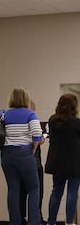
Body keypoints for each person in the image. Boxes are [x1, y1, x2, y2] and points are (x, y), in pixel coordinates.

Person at [0, 87, 44, 225]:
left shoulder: (3, 113)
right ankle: (34, 221)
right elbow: (37, 134)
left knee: (13, 189)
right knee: (34, 188)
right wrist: (32, 150)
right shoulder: (30, 114)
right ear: (25, 99)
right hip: (25, 153)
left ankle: (14, 222)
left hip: (7, 155)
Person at [44, 94, 80, 225]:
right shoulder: (77, 123)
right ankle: (69, 222)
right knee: (72, 192)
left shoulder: (52, 121)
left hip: (57, 162)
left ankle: (51, 222)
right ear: (74, 106)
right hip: (74, 163)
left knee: (56, 191)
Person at [18, 101, 46, 225]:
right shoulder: (31, 120)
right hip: (33, 163)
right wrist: (40, 140)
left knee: (21, 192)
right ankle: (35, 218)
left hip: (20, 163)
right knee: (36, 191)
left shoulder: (15, 121)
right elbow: (36, 139)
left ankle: (21, 217)